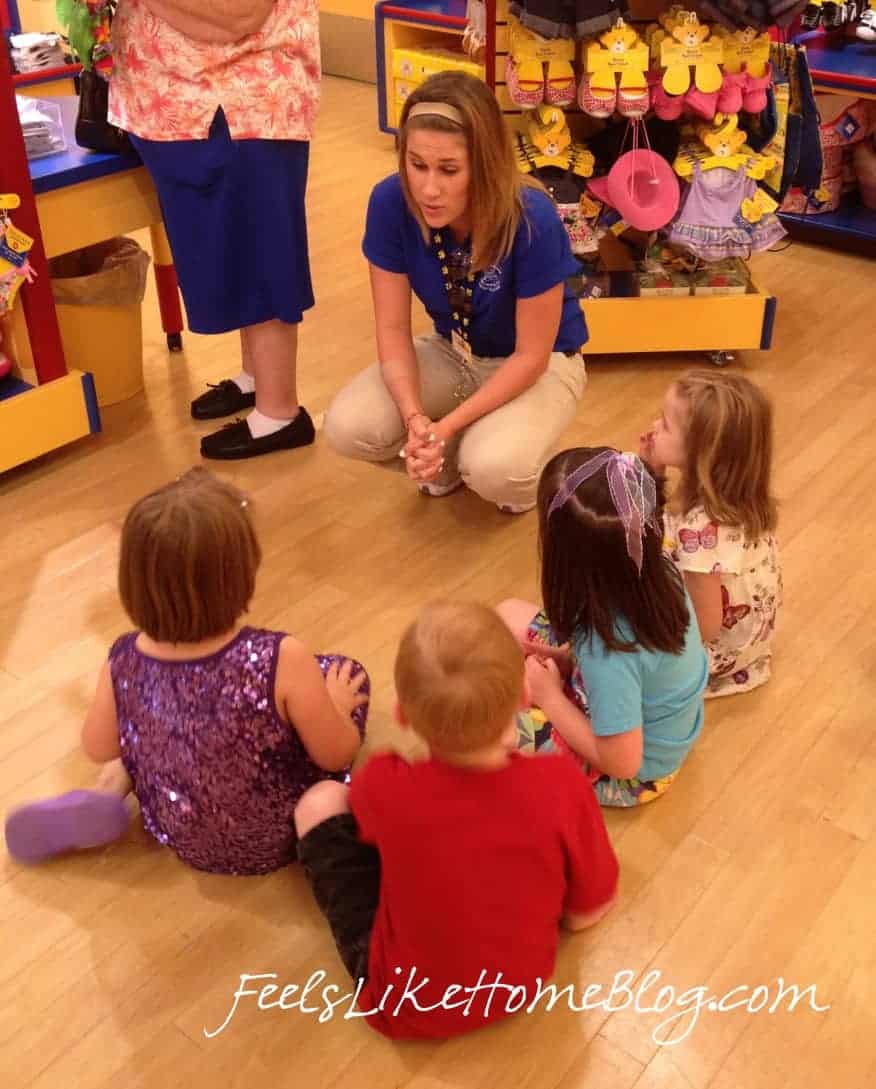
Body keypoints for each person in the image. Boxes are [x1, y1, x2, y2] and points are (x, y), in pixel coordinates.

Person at [5, 469, 369, 871]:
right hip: (276, 834)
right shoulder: (282, 657)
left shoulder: (122, 658)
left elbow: (98, 746)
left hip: (178, 828)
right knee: (344, 671)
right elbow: (335, 755)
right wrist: (335, 706)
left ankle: (110, 788)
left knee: (154, 733)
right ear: (241, 575)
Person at [294, 602, 618, 1039]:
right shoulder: (561, 784)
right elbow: (589, 908)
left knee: (319, 802)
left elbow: (370, 826)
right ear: (524, 697)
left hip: (400, 1005)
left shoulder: (384, 784)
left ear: (404, 715)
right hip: (520, 986)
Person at [323, 71, 588, 513]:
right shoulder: (389, 202)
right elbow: (391, 331)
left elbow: (531, 357)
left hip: (540, 364)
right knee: (347, 426)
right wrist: (415, 420)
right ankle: (446, 459)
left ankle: (516, 473)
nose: (428, 189)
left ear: (483, 164)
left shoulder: (533, 218)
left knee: (495, 468)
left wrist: (444, 428)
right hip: (454, 351)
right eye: (416, 164)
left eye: (449, 170)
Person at [108, 0, 320, 460]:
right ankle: (255, 379)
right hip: (189, 104)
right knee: (232, 247)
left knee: (259, 253)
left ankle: (279, 412)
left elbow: (239, 12)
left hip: (240, 103)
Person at [498, 447, 708, 807]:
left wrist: (549, 696)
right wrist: (566, 659)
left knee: (483, 730)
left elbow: (622, 763)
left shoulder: (607, 649)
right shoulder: (655, 567)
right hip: (625, 702)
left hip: (634, 776)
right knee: (507, 614)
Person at [639, 370, 782, 698]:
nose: (655, 426)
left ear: (701, 453)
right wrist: (654, 472)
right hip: (748, 636)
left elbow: (704, 626)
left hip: (714, 652)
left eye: (666, 424)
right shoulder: (737, 498)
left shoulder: (702, 532)